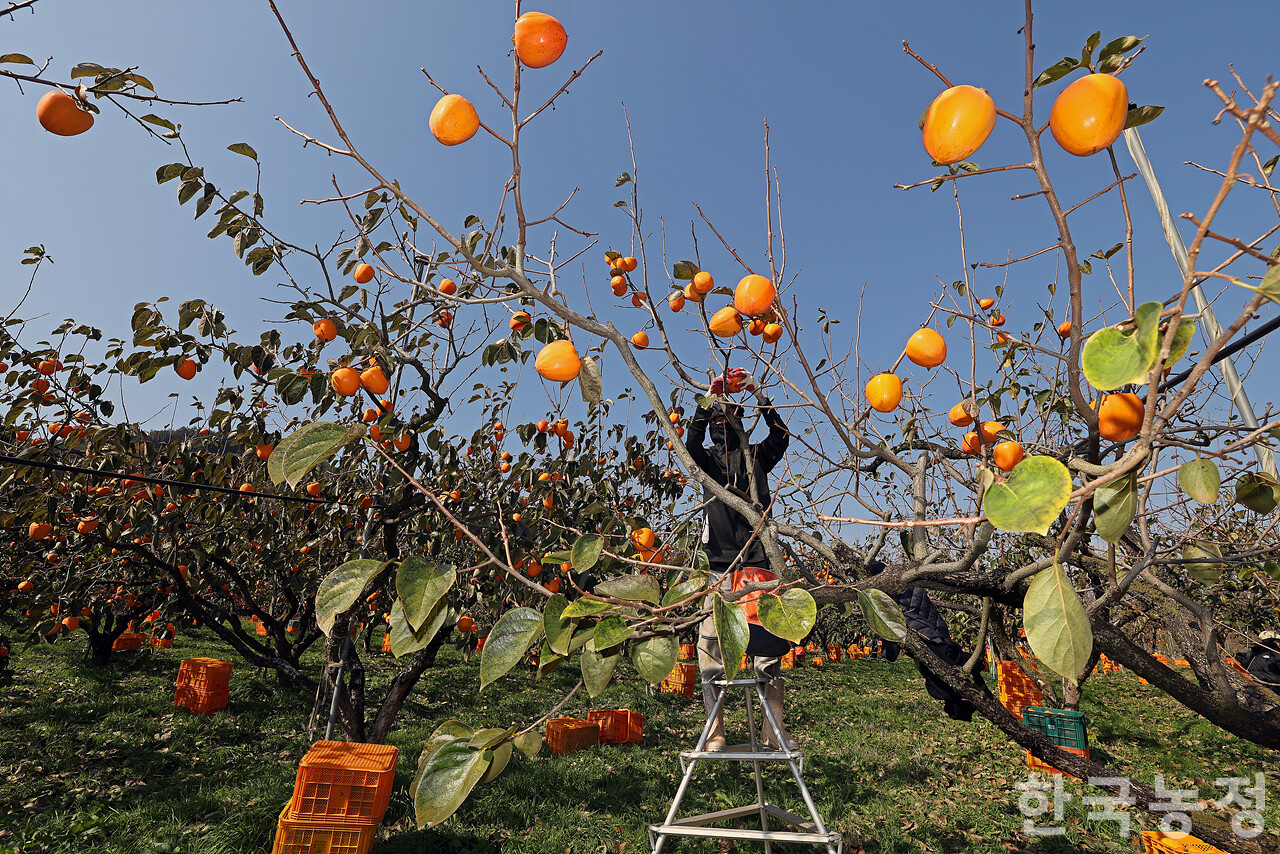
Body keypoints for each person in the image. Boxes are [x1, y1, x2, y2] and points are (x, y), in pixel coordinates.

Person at [685, 367, 794, 750]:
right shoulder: (707, 464)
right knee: (711, 648)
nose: (722, 424)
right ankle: (715, 730)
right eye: (717, 419)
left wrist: (758, 393)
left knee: (767, 653)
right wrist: (707, 401)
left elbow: (781, 436)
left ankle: (772, 728)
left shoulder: (756, 458)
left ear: (741, 419)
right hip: (719, 567)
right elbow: (690, 442)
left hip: (759, 564)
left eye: (729, 415)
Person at [868, 561, 977, 722]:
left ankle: (964, 706)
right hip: (939, 633)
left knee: (944, 681)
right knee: (955, 671)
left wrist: (886, 649)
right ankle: (968, 703)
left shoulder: (883, 598)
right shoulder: (910, 583)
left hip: (927, 639)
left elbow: (890, 644)